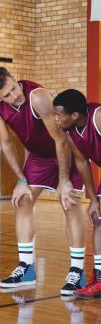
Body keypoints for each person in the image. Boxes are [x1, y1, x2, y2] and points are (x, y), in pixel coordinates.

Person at [0, 67, 86, 296]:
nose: (13, 96)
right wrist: (21, 180)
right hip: (39, 157)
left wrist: (64, 179)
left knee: (69, 203)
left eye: (13, 88)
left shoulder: (38, 97)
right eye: (6, 95)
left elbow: (61, 140)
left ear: (14, 78)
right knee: (22, 201)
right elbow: (6, 143)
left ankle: (77, 272)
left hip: (66, 151)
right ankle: (26, 268)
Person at [53, 89, 101, 299]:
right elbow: (82, 162)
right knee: (97, 217)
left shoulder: (98, 117)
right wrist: (93, 199)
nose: (55, 118)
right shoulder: (70, 130)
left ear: (74, 115)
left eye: (58, 114)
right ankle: (99, 278)